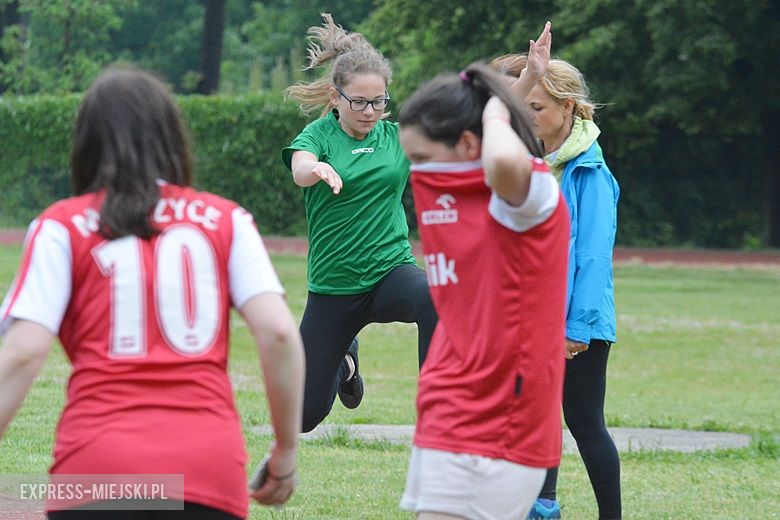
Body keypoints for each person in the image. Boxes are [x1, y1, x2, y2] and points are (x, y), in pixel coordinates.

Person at [0, 67, 305, 519]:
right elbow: (279, 333)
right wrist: (285, 450)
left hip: (97, 466)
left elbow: (23, 353)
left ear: (85, 143)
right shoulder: (227, 220)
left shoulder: (61, 226)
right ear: (172, 138)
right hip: (208, 468)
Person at [397, 61, 570, 520]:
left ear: (469, 142)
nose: (416, 174)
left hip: (500, 413)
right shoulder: (457, 191)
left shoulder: (527, 197)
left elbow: (502, 163)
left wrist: (496, 112)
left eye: (422, 159)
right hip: (447, 400)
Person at [281, 14, 437, 433]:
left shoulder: (397, 138)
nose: (370, 112)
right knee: (303, 417)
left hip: (390, 273)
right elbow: (300, 167)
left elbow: (474, 120)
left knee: (436, 297)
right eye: (360, 102)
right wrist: (316, 171)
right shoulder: (318, 135)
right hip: (334, 288)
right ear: (336, 97)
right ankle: (346, 360)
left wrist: (527, 82)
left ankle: (437, 413)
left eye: (379, 102)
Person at [493, 48, 622, 520]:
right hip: (526, 319)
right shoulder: (522, 161)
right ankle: (541, 511)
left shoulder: (592, 174)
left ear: (567, 107)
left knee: (584, 422)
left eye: (538, 108)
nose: (528, 116)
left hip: (578, 326)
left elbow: (592, 258)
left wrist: (576, 328)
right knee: (534, 421)